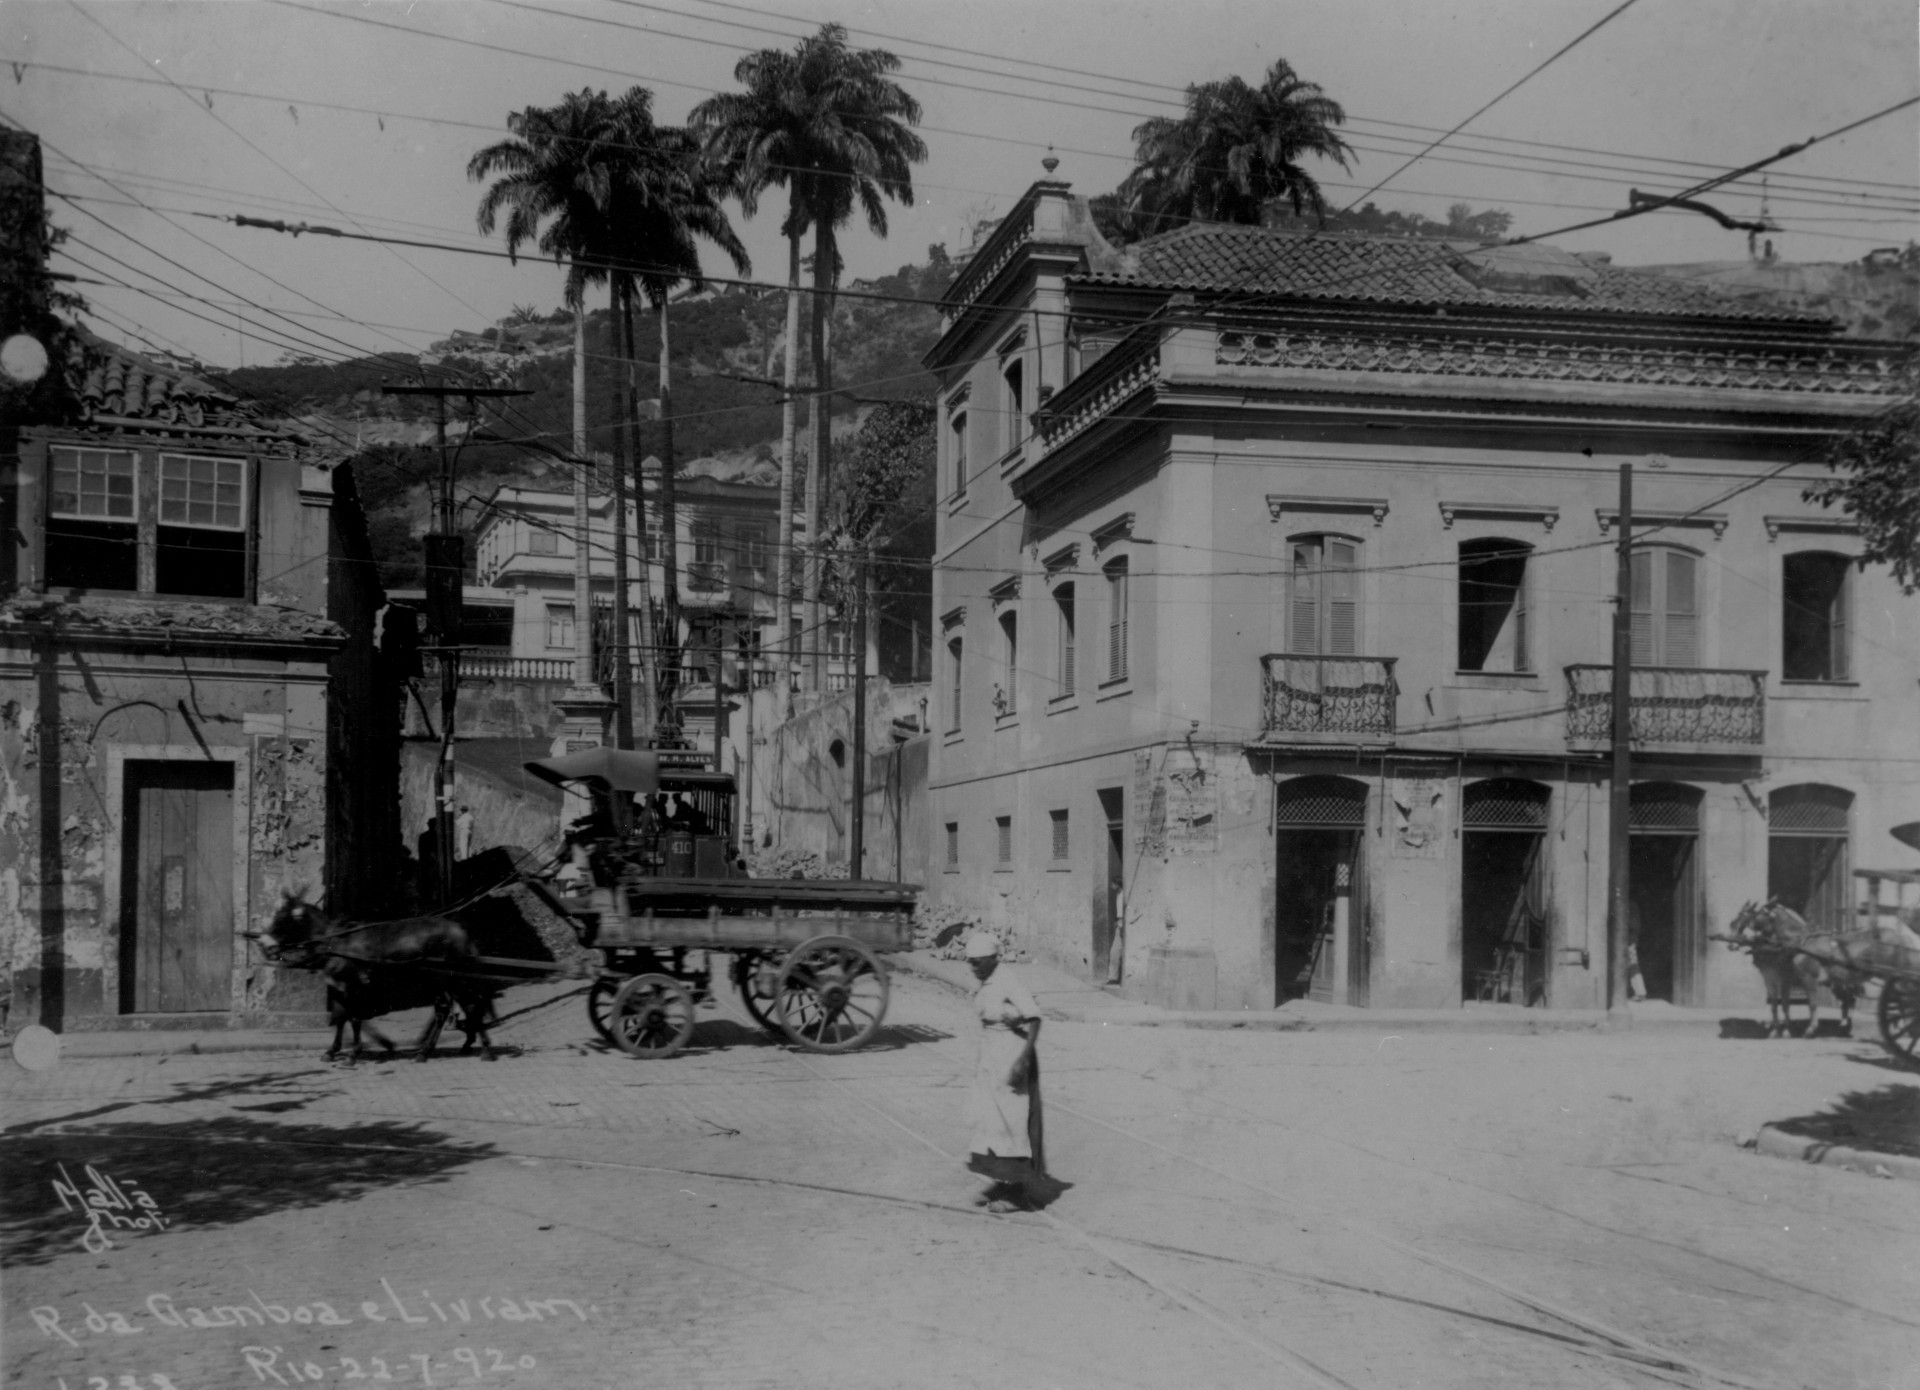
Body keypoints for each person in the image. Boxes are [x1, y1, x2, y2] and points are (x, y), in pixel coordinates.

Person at [963, 931, 1048, 1213]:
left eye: (978, 962)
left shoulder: (1008, 980)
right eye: (970, 962)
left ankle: (1017, 1191)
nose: (973, 968)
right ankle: (1000, 1182)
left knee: (1012, 1122)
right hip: (991, 1058)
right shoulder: (988, 982)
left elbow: (1034, 1017)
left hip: (1012, 1056)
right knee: (989, 1120)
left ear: (992, 959)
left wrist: (1022, 1060)